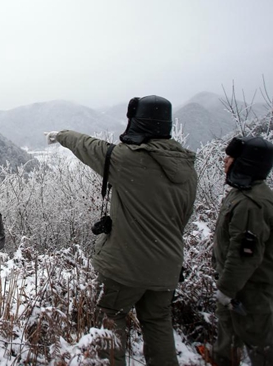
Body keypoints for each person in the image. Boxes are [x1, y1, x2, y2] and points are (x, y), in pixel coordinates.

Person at [45, 95, 197, 366]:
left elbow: (89, 146)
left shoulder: (126, 160)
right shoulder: (187, 169)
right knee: (159, 323)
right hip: (167, 269)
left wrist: (62, 135)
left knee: (110, 321)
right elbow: (182, 219)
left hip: (125, 266)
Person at [212, 136, 273, 366]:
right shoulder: (242, 193)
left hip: (250, 293)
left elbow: (244, 255)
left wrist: (226, 290)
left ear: (245, 163)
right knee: (228, 345)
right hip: (239, 290)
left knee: (258, 348)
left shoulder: (251, 203)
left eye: (231, 157)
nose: (225, 160)